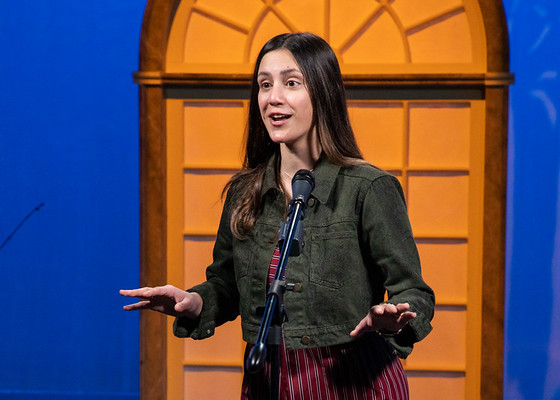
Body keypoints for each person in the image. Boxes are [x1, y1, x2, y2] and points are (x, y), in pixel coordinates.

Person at [121, 32, 435, 399]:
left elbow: (414, 291)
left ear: (323, 91)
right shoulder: (244, 192)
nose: (273, 98)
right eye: (264, 85)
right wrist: (195, 303)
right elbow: (226, 286)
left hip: (353, 380)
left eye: (291, 83)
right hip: (267, 379)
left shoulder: (368, 188)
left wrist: (393, 318)